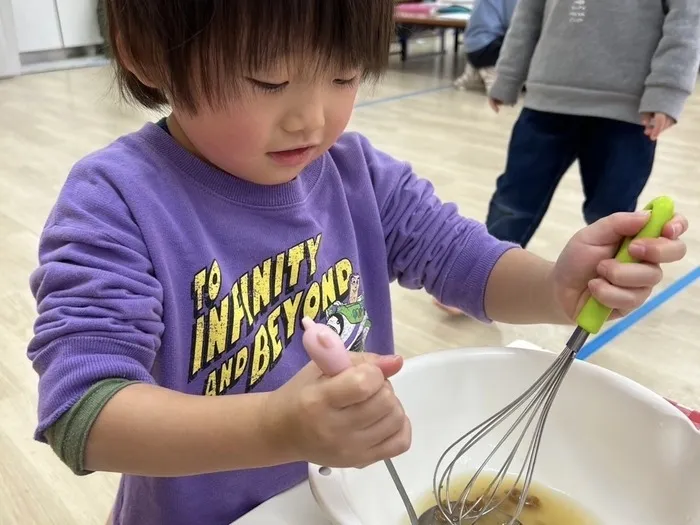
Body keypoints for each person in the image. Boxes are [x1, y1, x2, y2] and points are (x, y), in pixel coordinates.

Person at [25, 1, 688, 524]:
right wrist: (275, 425)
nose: (311, 119)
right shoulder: (119, 201)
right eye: (271, 79)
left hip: (349, 500)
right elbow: (83, 412)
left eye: (344, 75)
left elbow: (463, 259)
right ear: (148, 53)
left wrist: (555, 285)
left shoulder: (355, 175)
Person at [485, 0, 700, 248]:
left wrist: (667, 92)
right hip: (546, 103)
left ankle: (600, 284)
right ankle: (482, 279)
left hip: (627, 114)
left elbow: (686, 23)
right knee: (512, 204)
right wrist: (508, 75)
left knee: (610, 217)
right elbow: (527, 15)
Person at [454, 0, 518, 92]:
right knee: (525, 41)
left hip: (472, 48)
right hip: (487, 48)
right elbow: (516, 22)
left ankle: (476, 69)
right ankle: (491, 73)